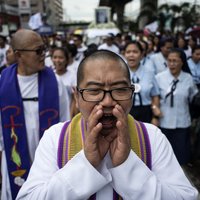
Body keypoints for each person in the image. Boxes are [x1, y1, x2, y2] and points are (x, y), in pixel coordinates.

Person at [16, 50, 198, 200]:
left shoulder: (152, 137)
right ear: (77, 97)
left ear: (132, 93)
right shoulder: (55, 137)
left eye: (120, 89)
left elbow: (186, 197)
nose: (108, 101)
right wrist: (86, 163)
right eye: (94, 90)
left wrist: (126, 165)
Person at [0, 29, 70, 200]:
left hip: (48, 154)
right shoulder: (2, 82)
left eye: (44, 49)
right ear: (19, 55)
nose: (44, 56)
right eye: (38, 51)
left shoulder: (55, 82)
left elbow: (65, 123)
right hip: (14, 153)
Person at [155, 48, 198, 165]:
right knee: (164, 157)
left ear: (182, 62)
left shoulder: (188, 78)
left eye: (175, 61)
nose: (172, 64)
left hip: (182, 122)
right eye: (169, 60)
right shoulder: (159, 78)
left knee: (181, 156)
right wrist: (155, 111)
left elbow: (193, 98)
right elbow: (154, 98)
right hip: (164, 122)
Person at [123, 41, 161, 125]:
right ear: (124, 54)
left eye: (135, 52)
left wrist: (155, 116)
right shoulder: (119, 73)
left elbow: (155, 95)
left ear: (142, 54)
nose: (131, 55)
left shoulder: (150, 73)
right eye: (128, 52)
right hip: (125, 112)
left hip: (146, 112)